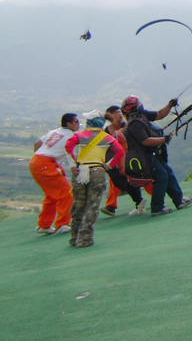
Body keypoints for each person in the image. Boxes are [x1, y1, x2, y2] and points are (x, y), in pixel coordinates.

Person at [122, 96, 192, 215]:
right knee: (161, 177)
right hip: (146, 157)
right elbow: (146, 141)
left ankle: (179, 200)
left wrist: (170, 105)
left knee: (168, 173)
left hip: (153, 154)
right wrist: (163, 139)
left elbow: (159, 114)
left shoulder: (141, 117)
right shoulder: (135, 124)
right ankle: (157, 207)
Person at [64, 115, 125, 248]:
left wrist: (73, 165)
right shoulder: (107, 137)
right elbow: (120, 152)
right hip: (98, 170)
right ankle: (85, 238)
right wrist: (108, 165)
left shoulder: (79, 135)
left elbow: (68, 147)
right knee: (92, 205)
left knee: (78, 204)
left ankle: (74, 237)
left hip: (80, 171)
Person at [29, 114, 78, 235]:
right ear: (69, 124)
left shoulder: (54, 132)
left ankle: (44, 225)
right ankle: (62, 224)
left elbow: (36, 144)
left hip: (35, 161)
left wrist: (41, 157)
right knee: (67, 192)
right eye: (76, 122)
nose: (78, 124)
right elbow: (72, 152)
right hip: (46, 163)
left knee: (51, 195)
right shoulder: (72, 136)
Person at [101, 105, 147, 217]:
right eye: (116, 113)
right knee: (119, 181)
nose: (119, 115)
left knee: (140, 179)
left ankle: (154, 199)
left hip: (128, 159)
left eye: (119, 112)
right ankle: (113, 206)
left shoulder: (125, 126)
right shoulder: (106, 130)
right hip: (116, 161)